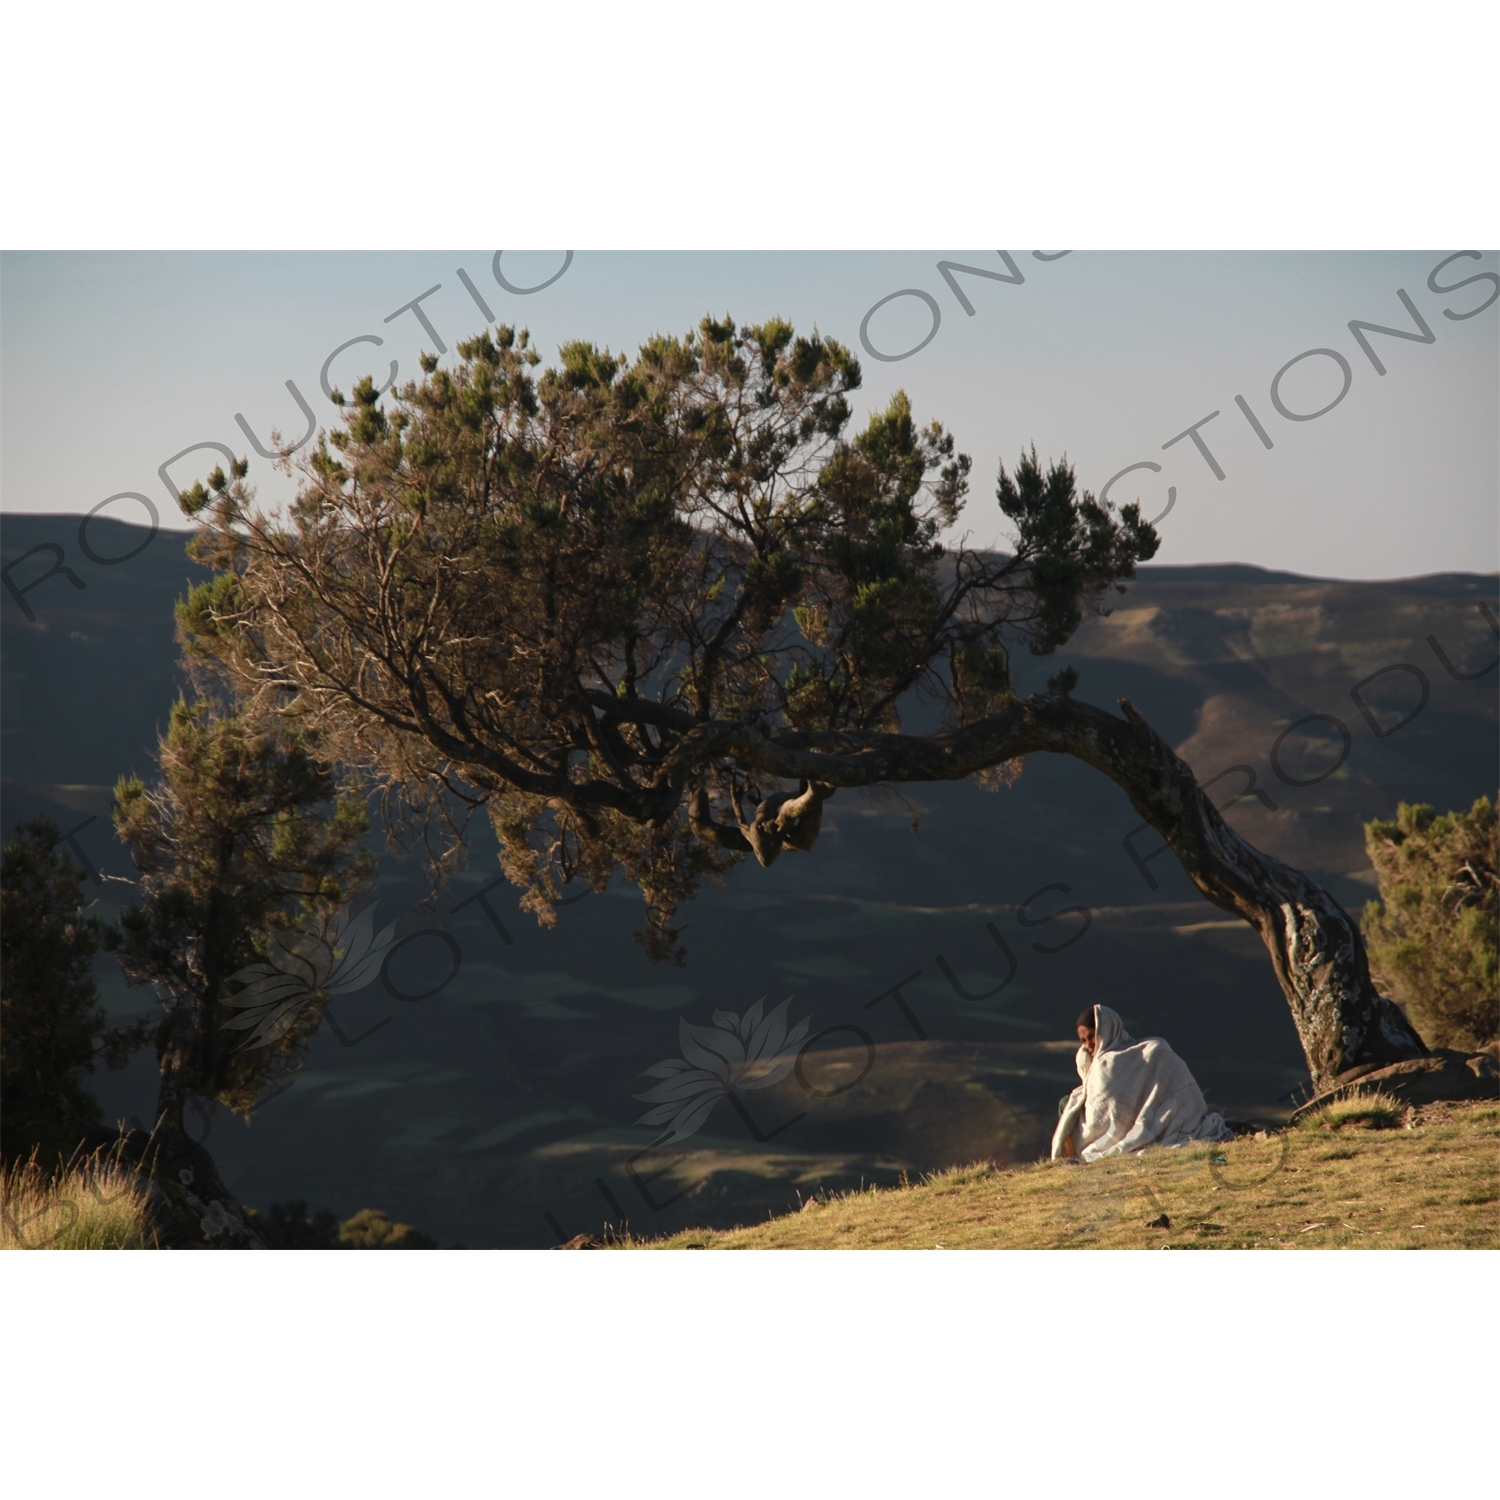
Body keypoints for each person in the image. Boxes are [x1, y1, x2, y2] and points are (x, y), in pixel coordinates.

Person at [1051, 1003, 1233, 1161]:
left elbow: (1099, 1120)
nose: (1088, 1046)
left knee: (1066, 1105)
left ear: (1106, 1030)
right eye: (1083, 1040)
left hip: (1137, 1128)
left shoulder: (1108, 1063)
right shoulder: (1153, 1047)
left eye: (1092, 1036)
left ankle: (1075, 1157)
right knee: (1066, 1103)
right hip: (1144, 1124)